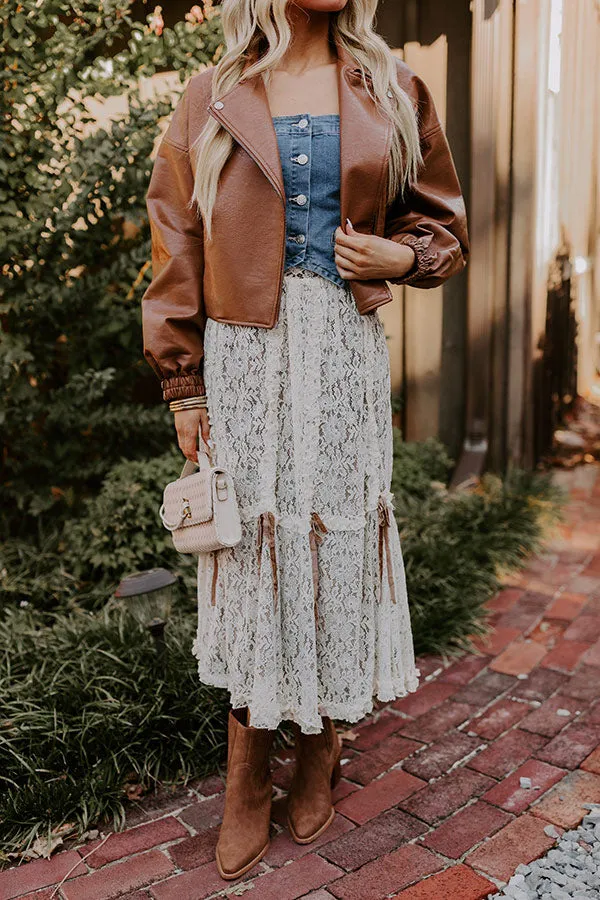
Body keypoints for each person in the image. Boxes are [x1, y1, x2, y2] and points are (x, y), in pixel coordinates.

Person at [141, 0, 468, 881]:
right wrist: (182, 381)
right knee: (253, 547)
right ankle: (247, 764)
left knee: (334, 534)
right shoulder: (214, 94)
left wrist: (405, 259)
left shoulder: (393, 87)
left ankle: (320, 739)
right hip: (244, 351)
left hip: (345, 351)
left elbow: (442, 224)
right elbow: (175, 238)